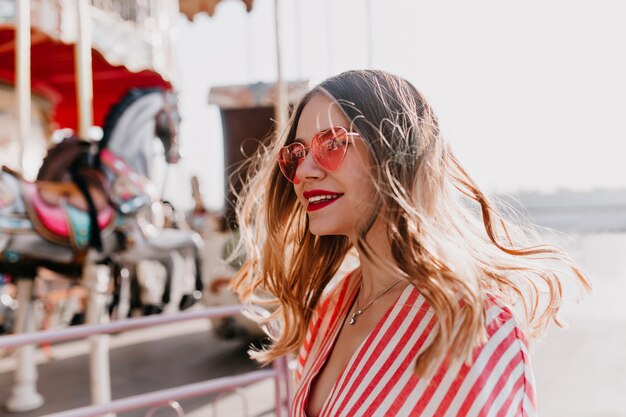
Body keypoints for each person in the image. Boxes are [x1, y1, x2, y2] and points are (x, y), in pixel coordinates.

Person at [231, 70, 590, 417]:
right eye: (297, 153)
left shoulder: (477, 322)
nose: (305, 170)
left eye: (334, 143)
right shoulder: (332, 309)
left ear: (396, 152)